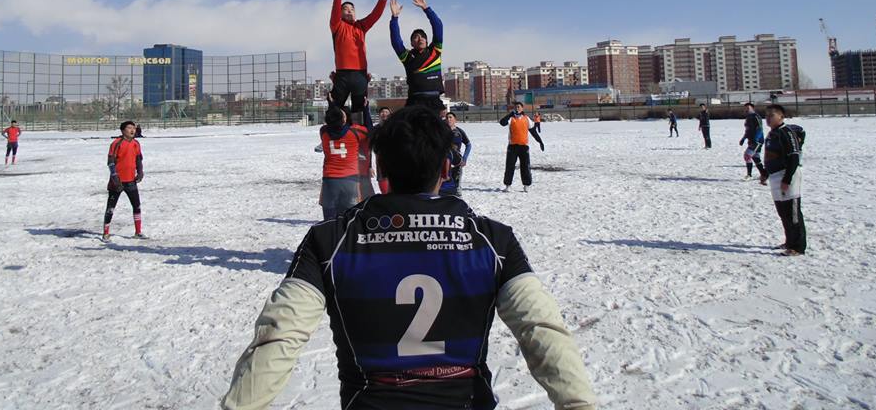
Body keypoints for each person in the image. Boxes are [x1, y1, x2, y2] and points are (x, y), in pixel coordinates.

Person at [222, 105, 598, 410]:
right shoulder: (494, 241)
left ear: (381, 170)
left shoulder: (330, 240)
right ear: (446, 168)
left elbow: (279, 337)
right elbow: (542, 329)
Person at [330, 0, 392, 113]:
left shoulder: (361, 26)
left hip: (360, 74)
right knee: (334, 110)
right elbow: (334, 10)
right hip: (342, 74)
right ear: (340, 13)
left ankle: (359, 134)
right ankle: (335, 134)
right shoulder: (337, 25)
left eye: (352, 8)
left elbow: (375, 15)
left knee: (359, 112)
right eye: (345, 8)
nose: (349, 10)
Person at [760, 105, 806, 256]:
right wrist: (765, 173)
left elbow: (794, 156)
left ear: (780, 117)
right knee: (782, 211)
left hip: (787, 175)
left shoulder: (786, 132)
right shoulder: (772, 134)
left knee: (792, 212)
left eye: (771, 116)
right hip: (774, 176)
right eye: (766, 116)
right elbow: (770, 157)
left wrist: (787, 179)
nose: (768, 119)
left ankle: (798, 246)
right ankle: (789, 241)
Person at [390, 0, 444, 112]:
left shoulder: (435, 51)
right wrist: (394, 18)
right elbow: (396, 41)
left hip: (434, 101)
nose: (420, 39)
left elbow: (438, 26)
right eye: (416, 37)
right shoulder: (407, 57)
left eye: (422, 37)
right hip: (415, 101)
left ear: (427, 40)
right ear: (412, 43)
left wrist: (426, 8)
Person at [320, 104, 372, 219]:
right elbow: (369, 130)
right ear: (344, 119)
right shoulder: (355, 132)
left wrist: (332, 104)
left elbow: (330, 122)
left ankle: (331, 235)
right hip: (350, 179)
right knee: (351, 217)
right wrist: (365, 109)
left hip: (330, 179)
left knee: (329, 218)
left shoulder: (323, 132)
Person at [102, 120, 145, 241]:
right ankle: (106, 232)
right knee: (111, 207)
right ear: (123, 130)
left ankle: (138, 231)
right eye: (129, 128)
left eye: (134, 128)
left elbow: (138, 159)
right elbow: (110, 162)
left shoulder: (136, 143)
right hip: (117, 182)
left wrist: (140, 172)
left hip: (131, 181)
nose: (132, 130)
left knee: (136, 205)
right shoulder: (116, 143)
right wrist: (115, 178)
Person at [499, 101, 544, 192]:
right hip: (512, 146)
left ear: (522, 108)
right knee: (510, 166)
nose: (517, 108)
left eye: (519, 107)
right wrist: (510, 114)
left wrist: (540, 141)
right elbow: (502, 122)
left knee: (525, 166)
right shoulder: (511, 118)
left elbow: (533, 132)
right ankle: (508, 185)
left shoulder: (526, 119)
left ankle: (526, 185)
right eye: (515, 107)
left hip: (524, 147)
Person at [440, 111, 471, 197]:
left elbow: (468, 145)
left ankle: (457, 202)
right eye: (447, 118)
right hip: (444, 161)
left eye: (450, 117)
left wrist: (464, 158)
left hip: (457, 162)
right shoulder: (442, 132)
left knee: (457, 188)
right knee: (444, 186)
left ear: (455, 120)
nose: (448, 119)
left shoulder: (459, 132)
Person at [739, 102, 765, 179]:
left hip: (757, 140)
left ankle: (749, 175)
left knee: (747, 156)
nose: (747, 109)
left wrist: (756, 139)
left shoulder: (756, 116)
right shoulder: (748, 118)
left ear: (752, 108)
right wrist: (743, 138)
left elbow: (760, 128)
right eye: (745, 108)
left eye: (748, 108)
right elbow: (748, 130)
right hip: (751, 140)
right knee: (755, 157)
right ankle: (764, 174)